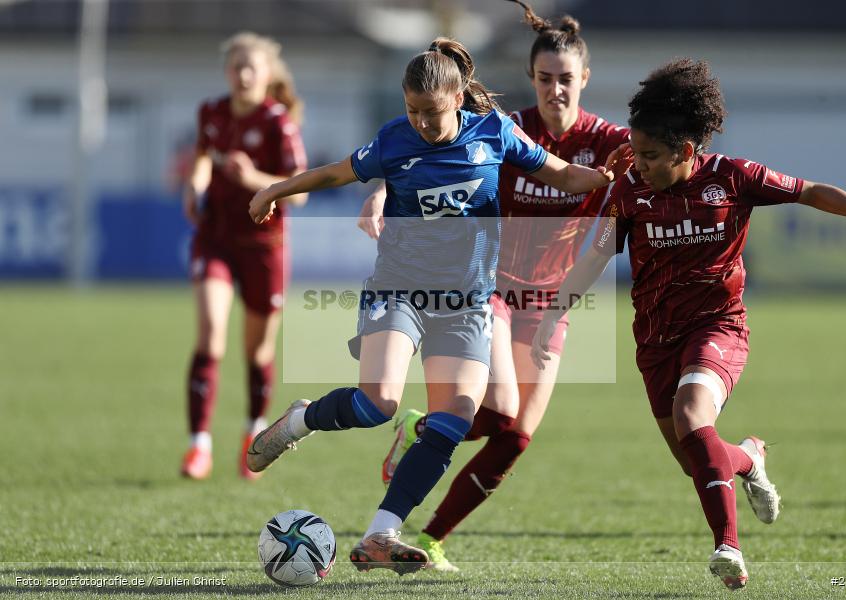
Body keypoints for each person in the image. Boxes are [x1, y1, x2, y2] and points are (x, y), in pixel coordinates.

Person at [245, 37, 632, 575]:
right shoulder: (394, 141)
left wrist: (604, 179)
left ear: (457, 101)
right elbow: (336, 171)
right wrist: (276, 190)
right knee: (378, 403)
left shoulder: (494, 130)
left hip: (469, 302)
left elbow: (561, 173)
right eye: (413, 111)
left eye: (432, 112)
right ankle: (300, 420)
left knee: (454, 419)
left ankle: (383, 531)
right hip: (401, 290)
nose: (423, 123)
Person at [531, 58, 846, 590]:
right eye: (637, 151)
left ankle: (728, 547)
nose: (640, 163)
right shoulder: (630, 190)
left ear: (686, 150)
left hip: (718, 329)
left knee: (691, 414)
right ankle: (748, 458)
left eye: (651, 155)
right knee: (695, 457)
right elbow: (597, 256)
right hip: (654, 341)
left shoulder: (733, 178)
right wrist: (554, 313)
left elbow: (808, 190)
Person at [357, 1, 631, 572]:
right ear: (532, 80)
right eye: (544, 78)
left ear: (585, 80)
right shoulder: (504, 131)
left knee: (515, 436)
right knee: (501, 405)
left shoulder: (610, 144)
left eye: (566, 79)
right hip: (490, 286)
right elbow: (427, 162)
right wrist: (383, 192)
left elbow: (653, 173)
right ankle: (419, 456)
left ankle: (430, 532)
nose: (555, 89)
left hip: (551, 298)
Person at [180, 32, 308, 480]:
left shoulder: (278, 123)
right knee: (211, 335)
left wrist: (254, 176)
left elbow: (301, 193)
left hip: (263, 247)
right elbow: (201, 156)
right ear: (227, 71)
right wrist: (195, 185)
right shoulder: (211, 112)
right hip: (215, 238)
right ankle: (199, 446)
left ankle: (252, 434)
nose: (244, 74)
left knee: (257, 352)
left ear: (267, 74)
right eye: (237, 66)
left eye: (252, 67)